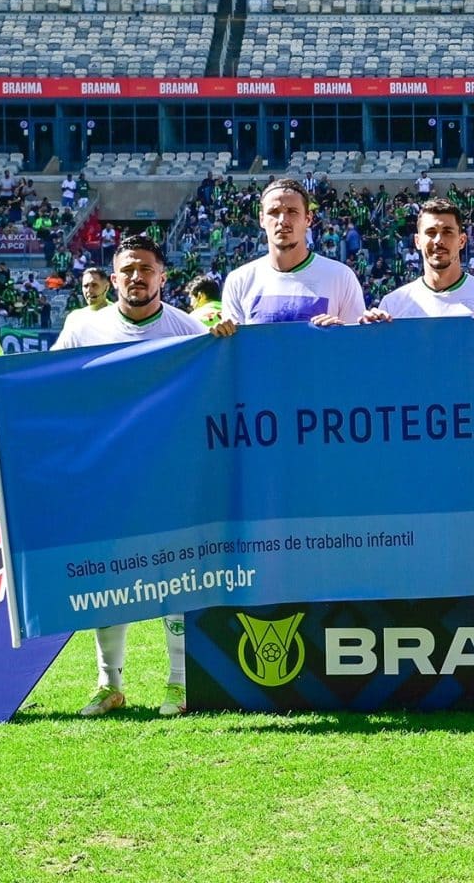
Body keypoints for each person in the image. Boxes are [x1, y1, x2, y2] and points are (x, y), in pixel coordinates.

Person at [53, 234, 235, 718]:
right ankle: (108, 684)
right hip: (107, 478)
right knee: (107, 576)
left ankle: (179, 683)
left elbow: (221, 390)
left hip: (170, 476)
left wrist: (225, 345)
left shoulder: (188, 329)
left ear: (163, 276)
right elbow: (46, 383)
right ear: (113, 279)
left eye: (146, 269)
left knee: (175, 579)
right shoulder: (81, 326)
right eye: (127, 269)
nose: (137, 277)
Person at [220, 178, 367, 326]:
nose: (283, 220)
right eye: (274, 212)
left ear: (308, 219)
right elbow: (235, 347)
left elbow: (356, 344)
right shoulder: (239, 281)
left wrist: (337, 336)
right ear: (262, 219)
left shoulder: (340, 277)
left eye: (292, 212)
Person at [371, 198, 474, 321]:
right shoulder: (392, 305)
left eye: (447, 232)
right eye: (431, 232)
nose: (438, 240)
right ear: (417, 241)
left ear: (462, 240)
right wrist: (368, 335)